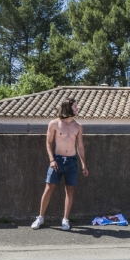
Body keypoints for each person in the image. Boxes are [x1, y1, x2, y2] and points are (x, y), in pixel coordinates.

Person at [31, 97, 89, 230]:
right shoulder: (54, 124)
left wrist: (84, 164)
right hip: (57, 159)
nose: (77, 108)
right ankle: (40, 217)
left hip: (72, 161)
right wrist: (52, 159)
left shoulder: (78, 126)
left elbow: (80, 146)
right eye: (75, 106)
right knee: (49, 187)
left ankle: (65, 219)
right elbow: (48, 142)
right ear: (68, 107)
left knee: (70, 190)